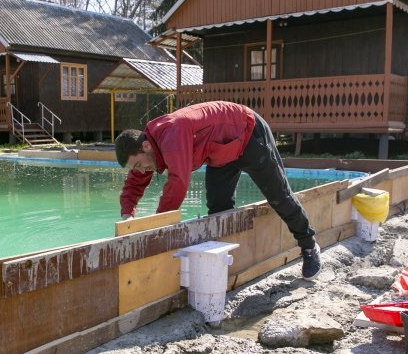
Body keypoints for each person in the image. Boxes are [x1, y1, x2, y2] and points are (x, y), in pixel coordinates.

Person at [114, 101, 321, 280]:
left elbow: (178, 182)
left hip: (248, 134)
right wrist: (127, 214)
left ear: (146, 146)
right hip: (220, 151)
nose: (141, 170)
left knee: (279, 197)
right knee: (218, 206)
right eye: (136, 168)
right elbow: (135, 182)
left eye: (139, 164)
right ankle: (224, 260)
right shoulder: (148, 146)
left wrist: (158, 225)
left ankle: (309, 246)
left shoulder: (172, 134)